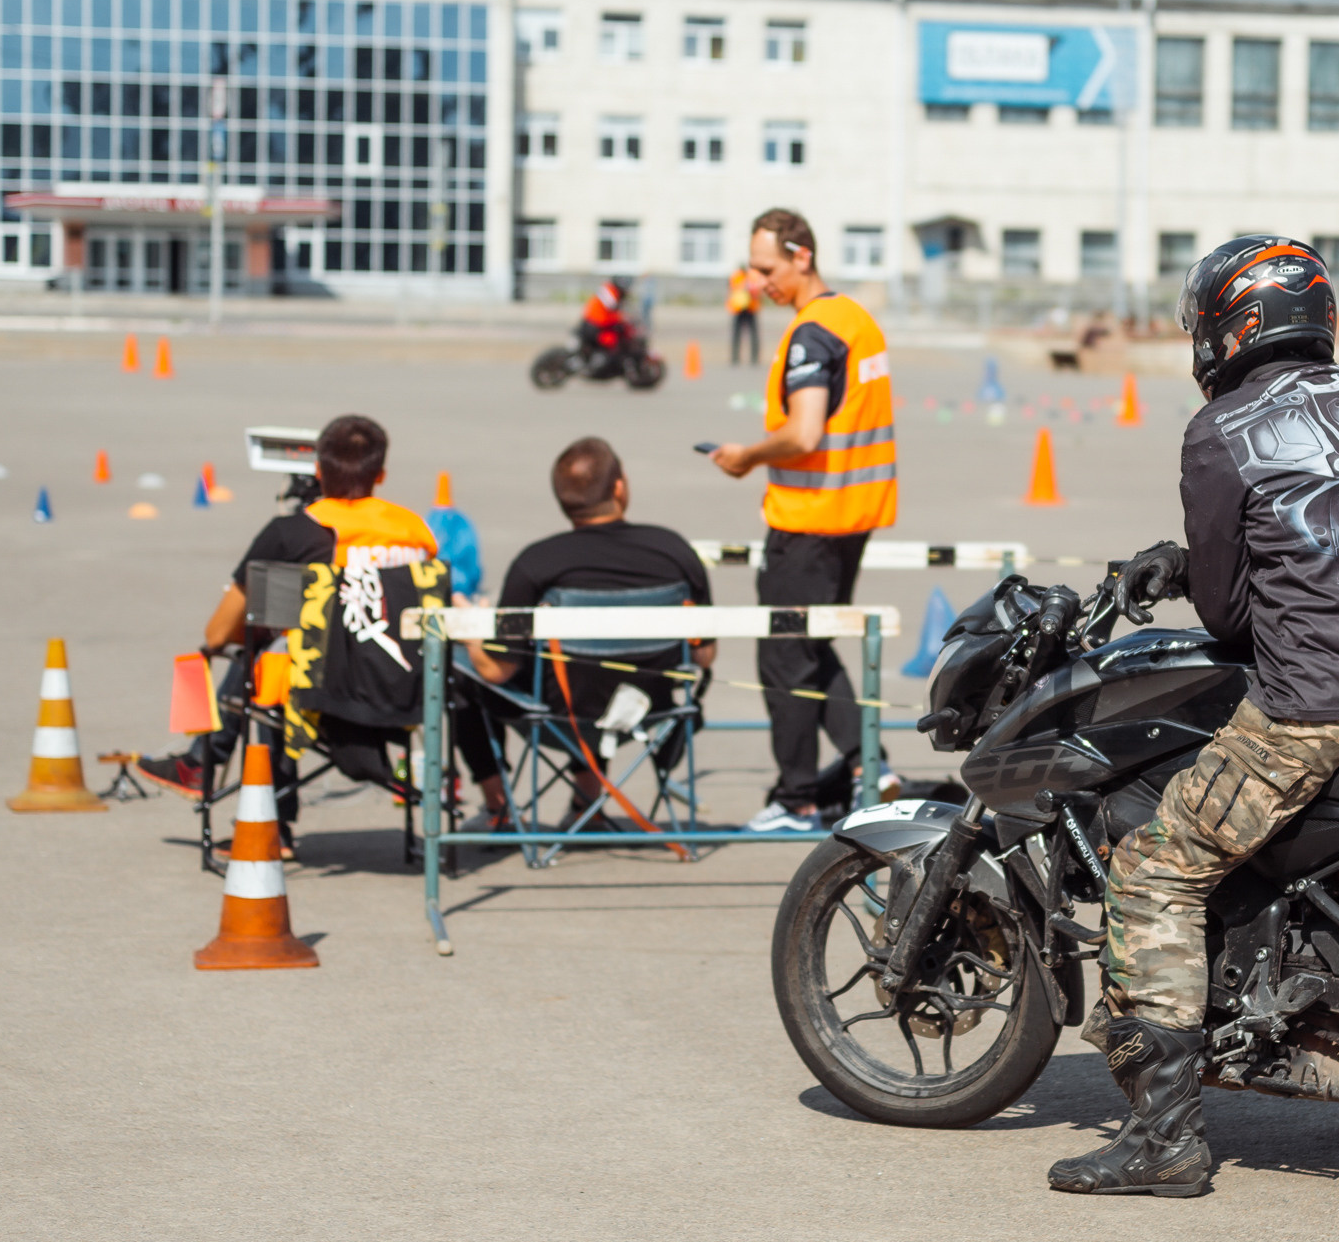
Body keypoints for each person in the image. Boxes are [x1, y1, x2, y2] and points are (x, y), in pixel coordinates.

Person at [1048, 236, 1339, 1199]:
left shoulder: (1222, 427)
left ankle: (1164, 1138)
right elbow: (1322, 535)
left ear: (1232, 326)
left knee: (1154, 868)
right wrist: (1192, 561)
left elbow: (1231, 617)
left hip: (1319, 706)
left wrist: (1197, 572)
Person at [134, 416, 505, 836]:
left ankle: (257, 812)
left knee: (267, 657)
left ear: (317, 471)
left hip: (322, 691)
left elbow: (218, 633)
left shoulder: (292, 533)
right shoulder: (416, 532)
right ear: (380, 475)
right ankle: (497, 804)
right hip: (409, 688)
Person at [708, 208, 898, 832]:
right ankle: (871, 765)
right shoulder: (855, 320)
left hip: (808, 520)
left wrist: (745, 455)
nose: (757, 282)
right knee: (812, 647)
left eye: (766, 269)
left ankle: (796, 801)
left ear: (802, 256)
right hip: (851, 517)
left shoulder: (812, 334)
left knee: (785, 660)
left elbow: (804, 431)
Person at [463, 438, 715, 821]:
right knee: (599, 670)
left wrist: (469, 633)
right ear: (619, 487)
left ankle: (500, 808)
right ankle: (587, 805)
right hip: (652, 709)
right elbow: (704, 655)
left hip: (561, 716)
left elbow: (497, 670)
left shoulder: (537, 562)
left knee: (458, 671)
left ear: (563, 500)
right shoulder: (674, 551)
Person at [578, 275, 644, 367]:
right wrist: (623, 318)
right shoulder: (609, 291)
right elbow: (613, 308)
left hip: (601, 324)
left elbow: (624, 308)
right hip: (594, 325)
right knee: (611, 344)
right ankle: (598, 364)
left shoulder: (614, 292)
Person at [726, 264, 761, 366]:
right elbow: (731, 290)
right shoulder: (738, 276)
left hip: (750, 307)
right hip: (739, 307)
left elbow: (757, 291)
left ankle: (753, 357)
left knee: (752, 333)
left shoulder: (750, 277)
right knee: (737, 334)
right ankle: (735, 357)